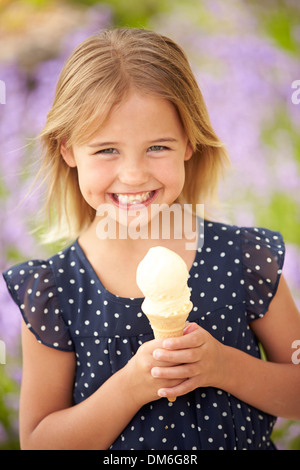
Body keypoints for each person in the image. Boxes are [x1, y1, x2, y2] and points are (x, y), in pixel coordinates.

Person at [3, 27, 300, 450]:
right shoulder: (53, 290)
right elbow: (39, 442)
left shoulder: (243, 257)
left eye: (157, 147)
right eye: (106, 150)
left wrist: (224, 367)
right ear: (68, 150)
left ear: (188, 143)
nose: (134, 175)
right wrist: (130, 387)